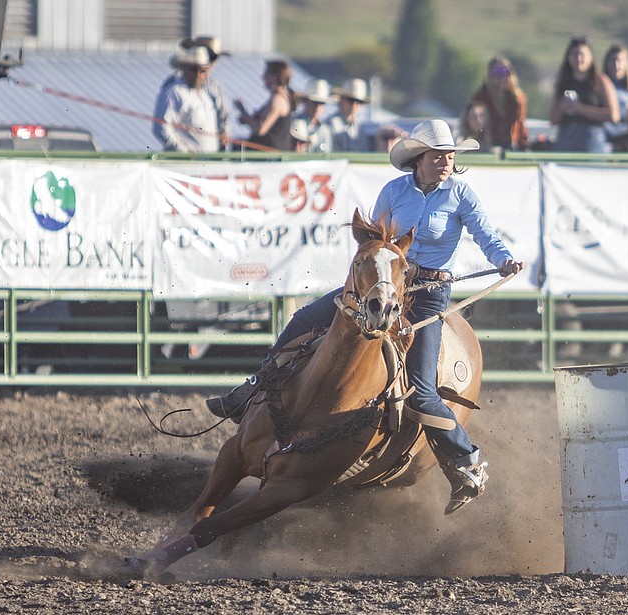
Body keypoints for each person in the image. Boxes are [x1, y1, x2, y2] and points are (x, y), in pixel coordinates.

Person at [205, 119, 524, 514]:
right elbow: (376, 241)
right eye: (439, 153)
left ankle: (465, 462)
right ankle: (249, 391)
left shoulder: (461, 195)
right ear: (420, 158)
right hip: (385, 283)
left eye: (450, 154)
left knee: (423, 390)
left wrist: (504, 259)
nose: (447, 160)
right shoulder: (394, 191)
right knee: (305, 320)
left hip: (427, 293)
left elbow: (485, 234)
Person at [152, 40, 230, 153]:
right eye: (194, 70)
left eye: (203, 71)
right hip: (187, 163)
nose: (199, 75)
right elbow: (161, 128)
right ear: (184, 69)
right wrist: (183, 152)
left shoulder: (208, 94)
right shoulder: (174, 92)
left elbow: (223, 119)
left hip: (209, 161)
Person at [550, 36, 618, 153]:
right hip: (566, 139)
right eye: (574, 54)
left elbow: (613, 116)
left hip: (592, 140)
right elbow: (552, 119)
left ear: (590, 57)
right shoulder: (562, 82)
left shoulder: (600, 81)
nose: (578, 58)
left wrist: (579, 108)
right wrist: (562, 107)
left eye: (582, 54)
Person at [459, 55, 529, 151]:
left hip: (510, 145)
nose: (501, 77)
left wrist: (523, 147)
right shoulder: (480, 97)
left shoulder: (517, 98)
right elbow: (471, 125)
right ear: (489, 75)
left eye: (504, 72)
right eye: (496, 73)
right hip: (486, 146)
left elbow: (521, 125)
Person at [235, 59, 296, 152]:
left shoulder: (278, 100)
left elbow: (260, 129)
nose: (263, 77)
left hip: (269, 157)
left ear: (276, 76)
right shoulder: (278, 98)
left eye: (266, 73)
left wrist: (243, 111)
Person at [602, 43, 628, 144]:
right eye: (612, 60)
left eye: (619, 60)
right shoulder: (601, 87)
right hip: (605, 136)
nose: (616, 65)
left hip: (627, 136)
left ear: (626, 63)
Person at [328, 78, 373, 152]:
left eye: (358, 101)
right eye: (350, 100)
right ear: (341, 100)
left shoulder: (359, 127)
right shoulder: (330, 124)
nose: (354, 104)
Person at [293, 78, 335, 153]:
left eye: (321, 103)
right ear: (306, 101)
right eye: (315, 102)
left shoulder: (325, 130)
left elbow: (326, 156)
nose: (317, 107)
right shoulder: (293, 122)